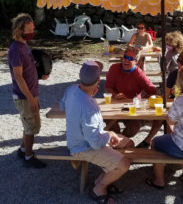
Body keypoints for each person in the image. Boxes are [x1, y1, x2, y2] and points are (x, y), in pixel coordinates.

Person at [60, 61, 133, 204]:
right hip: (82, 148)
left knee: (127, 142)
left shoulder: (72, 89)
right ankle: (98, 189)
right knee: (124, 163)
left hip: (80, 141)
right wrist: (111, 134)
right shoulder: (89, 108)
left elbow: (63, 106)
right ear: (98, 80)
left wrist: (88, 96)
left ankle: (101, 180)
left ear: (80, 77)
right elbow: (94, 142)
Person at [8, 13, 48, 168]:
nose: (32, 31)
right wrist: (30, 98)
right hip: (25, 97)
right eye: (29, 29)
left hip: (31, 93)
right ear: (20, 30)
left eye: (33, 28)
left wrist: (40, 75)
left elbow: (28, 69)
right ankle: (28, 157)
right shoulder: (16, 50)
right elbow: (18, 76)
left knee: (29, 125)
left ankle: (23, 149)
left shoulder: (24, 45)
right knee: (31, 127)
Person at [105, 46, 161, 148]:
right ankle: (118, 144)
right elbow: (108, 87)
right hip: (114, 104)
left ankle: (117, 143)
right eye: (125, 57)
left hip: (130, 106)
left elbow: (152, 90)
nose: (126, 60)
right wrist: (115, 95)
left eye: (130, 58)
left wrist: (141, 101)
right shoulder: (114, 68)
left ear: (136, 61)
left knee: (133, 128)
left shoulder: (138, 73)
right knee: (111, 124)